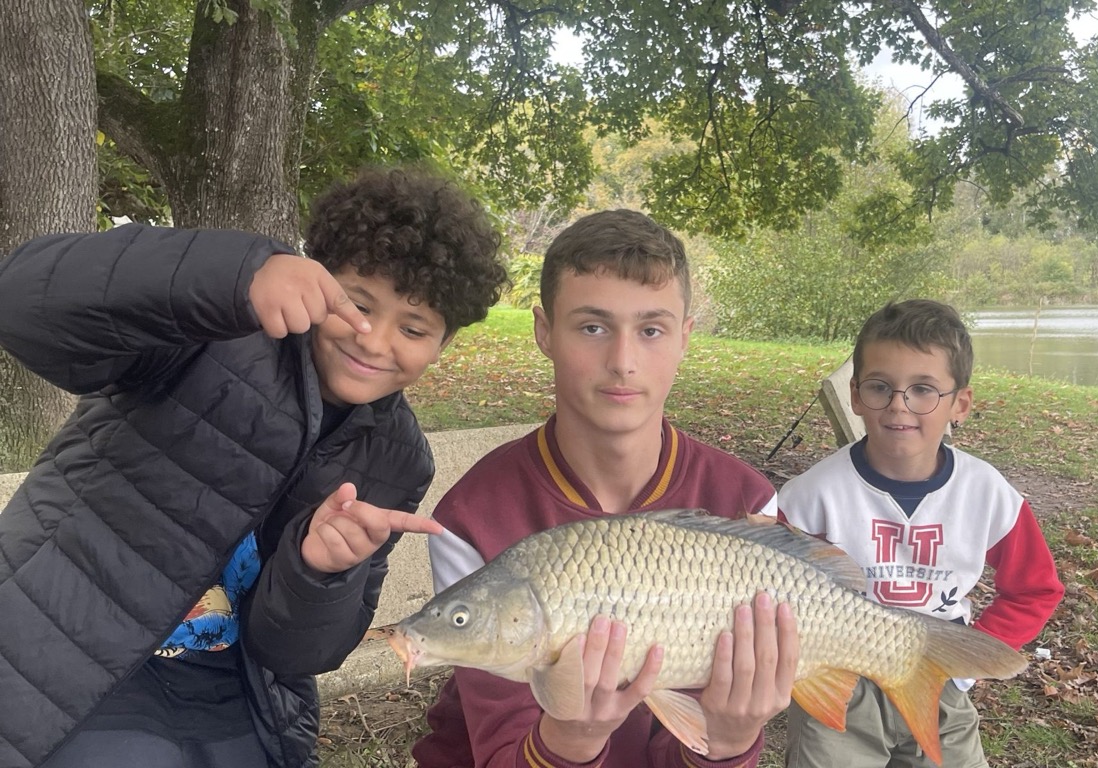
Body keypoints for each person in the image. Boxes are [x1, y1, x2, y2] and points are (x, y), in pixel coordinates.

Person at [0, 167, 509, 768]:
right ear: (319, 279)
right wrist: (236, 274)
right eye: (358, 304)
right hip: (64, 648)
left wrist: (322, 574)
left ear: (442, 345)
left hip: (237, 696)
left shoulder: (399, 458)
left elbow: (298, 655)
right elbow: (23, 301)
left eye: (414, 328)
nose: (373, 340)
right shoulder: (211, 333)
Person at [410, 209, 799, 768]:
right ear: (545, 332)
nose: (622, 362)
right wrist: (570, 741)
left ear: (685, 338)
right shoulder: (473, 516)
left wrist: (729, 741)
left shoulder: (744, 500)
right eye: (593, 327)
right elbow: (501, 750)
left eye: (651, 330)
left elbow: (703, 739)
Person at [778, 299, 1064, 768]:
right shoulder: (811, 495)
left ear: (960, 404)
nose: (899, 404)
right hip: (841, 680)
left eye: (923, 389)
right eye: (880, 387)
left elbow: (1035, 588)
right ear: (855, 395)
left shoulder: (986, 492)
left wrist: (966, 664)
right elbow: (766, 589)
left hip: (939, 675)